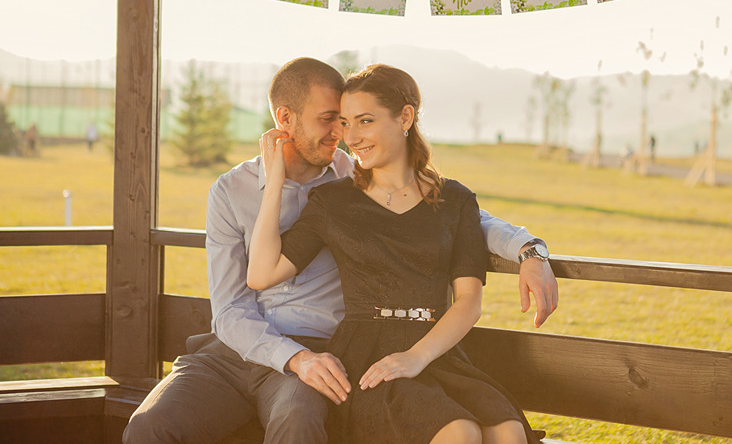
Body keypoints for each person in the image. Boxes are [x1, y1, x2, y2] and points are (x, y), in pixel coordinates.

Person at [123, 58, 558, 444]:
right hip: (237, 351)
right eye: (332, 119)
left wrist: (528, 249)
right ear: (285, 118)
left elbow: (451, 216)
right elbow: (233, 306)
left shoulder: (352, 175)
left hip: (322, 353)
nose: (343, 134)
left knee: (300, 425)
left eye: (352, 121)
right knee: (148, 429)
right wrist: (291, 357)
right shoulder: (232, 191)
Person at [247, 64, 541, 443]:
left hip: (437, 354)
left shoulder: (455, 199)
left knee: (508, 433)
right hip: (367, 360)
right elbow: (261, 273)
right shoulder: (333, 201)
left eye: (364, 121)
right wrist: (275, 181)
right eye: (344, 123)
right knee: (460, 434)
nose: (350, 136)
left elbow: (469, 301)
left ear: (405, 117)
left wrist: (533, 252)